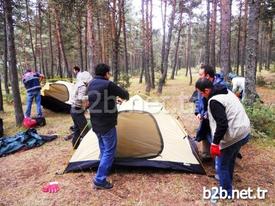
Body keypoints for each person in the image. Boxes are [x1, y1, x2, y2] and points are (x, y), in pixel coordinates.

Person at [195, 78, 250, 199]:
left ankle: (226, 193)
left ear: (207, 90)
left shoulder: (214, 101)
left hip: (234, 135)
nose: (200, 95)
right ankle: (228, 186)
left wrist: (215, 143)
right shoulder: (226, 91)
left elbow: (222, 124)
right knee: (229, 160)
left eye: (201, 92)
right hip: (244, 131)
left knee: (221, 165)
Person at [88, 63, 129, 190]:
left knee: (103, 148)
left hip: (95, 122)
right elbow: (125, 95)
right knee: (109, 150)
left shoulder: (91, 83)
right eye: (109, 73)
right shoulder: (108, 84)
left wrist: (112, 99)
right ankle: (100, 179)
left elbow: (98, 98)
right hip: (106, 123)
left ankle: (104, 168)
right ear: (106, 73)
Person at [194, 64, 226, 161]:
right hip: (205, 116)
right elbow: (198, 99)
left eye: (200, 75)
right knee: (204, 131)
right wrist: (198, 112)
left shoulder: (220, 86)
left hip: (216, 117)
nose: (199, 77)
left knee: (216, 134)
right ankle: (206, 154)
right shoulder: (202, 84)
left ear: (207, 76)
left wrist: (208, 113)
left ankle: (221, 159)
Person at [70, 71, 92, 149]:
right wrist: (89, 97)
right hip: (77, 110)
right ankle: (87, 148)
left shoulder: (78, 83)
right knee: (85, 130)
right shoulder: (82, 86)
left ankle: (75, 145)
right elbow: (80, 98)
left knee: (77, 129)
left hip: (73, 109)